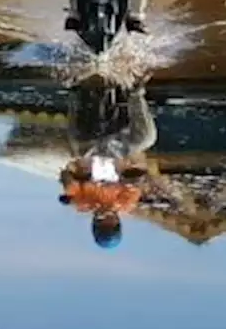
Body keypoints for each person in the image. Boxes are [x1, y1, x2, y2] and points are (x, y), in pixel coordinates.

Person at [58, 85, 160, 249]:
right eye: (110, 223)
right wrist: (132, 180)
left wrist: (70, 182)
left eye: (102, 224)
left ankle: (75, 93)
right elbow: (137, 180)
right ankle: (135, 93)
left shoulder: (82, 203)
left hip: (91, 150)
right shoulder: (126, 204)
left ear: (94, 223)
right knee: (147, 139)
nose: (106, 219)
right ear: (117, 222)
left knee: (74, 143)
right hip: (119, 151)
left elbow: (67, 178)